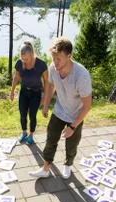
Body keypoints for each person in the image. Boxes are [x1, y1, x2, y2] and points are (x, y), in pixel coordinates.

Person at [29, 37, 92, 179]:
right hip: (59, 110)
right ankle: (45, 168)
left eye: (58, 59)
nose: (55, 62)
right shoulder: (53, 67)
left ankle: (68, 164)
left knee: (71, 145)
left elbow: (87, 106)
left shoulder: (81, 75)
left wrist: (73, 127)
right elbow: (51, 85)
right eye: (53, 58)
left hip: (76, 115)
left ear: (69, 56)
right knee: (51, 139)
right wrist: (45, 105)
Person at [10, 41, 48, 145]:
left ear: (31, 54)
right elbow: (16, 77)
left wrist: (44, 97)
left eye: (26, 59)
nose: (24, 61)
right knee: (22, 114)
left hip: (36, 93)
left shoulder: (41, 64)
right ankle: (24, 133)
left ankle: (31, 135)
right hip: (24, 92)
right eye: (22, 58)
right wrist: (12, 91)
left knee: (32, 115)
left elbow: (46, 81)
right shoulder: (19, 63)